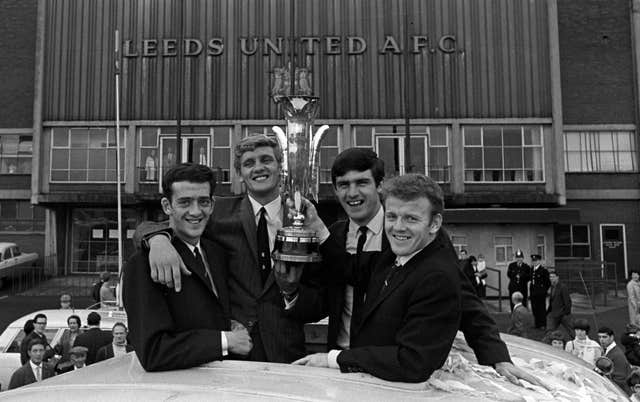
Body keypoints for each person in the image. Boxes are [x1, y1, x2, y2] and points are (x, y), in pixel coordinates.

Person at [140, 147, 543, 386]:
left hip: (391, 367)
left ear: (379, 187)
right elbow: (180, 218)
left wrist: (495, 354)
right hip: (331, 360)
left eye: (362, 183)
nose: (353, 193)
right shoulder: (327, 233)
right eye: (344, 186)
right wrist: (154, 237)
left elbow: (465, 301)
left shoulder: (409, 236)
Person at [134, 135, 323, 364]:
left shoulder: (302, 219)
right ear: (239, 173)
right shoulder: (217, 212)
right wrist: (156, 241)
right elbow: (173, 221)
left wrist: (291, 294)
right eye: (249, 163)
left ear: (279, 166)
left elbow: (322, 298)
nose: (258, 168)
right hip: (231, 355)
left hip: (286, 354)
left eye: (266, 160)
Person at [292, 174, 462, 382]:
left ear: (434, 224)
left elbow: (412, 362)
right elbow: (352, 271)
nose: (398, 227)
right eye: (391, 217)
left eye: (411, 218)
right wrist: (317, 228)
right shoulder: (394, 253)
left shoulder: (437, 278)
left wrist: (335, 359)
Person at [124, 163, 252, 371]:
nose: (195, 211)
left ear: (212, 205)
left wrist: (230, 324)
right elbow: (153, 352)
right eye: (184, 202)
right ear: (167, 206)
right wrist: (225, 340)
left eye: (203, 202)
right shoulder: (143, 263)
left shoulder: (216, 252)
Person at [598, 326, 632, 394]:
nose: (601, 340)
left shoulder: (617, 355)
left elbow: (620, 380)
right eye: (599, 337)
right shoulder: (606, 351)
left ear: (612, 337)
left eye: (604, 337)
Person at [546, 270, 573, 338]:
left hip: (563, 315)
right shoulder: (552, 287)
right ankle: (546, 344)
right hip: (554, 314)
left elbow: (567, 301)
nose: (551, 278)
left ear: (557, 277)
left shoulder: (563, 287)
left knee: (571, 331)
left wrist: (566, 312)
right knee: (550, 331)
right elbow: (552, 300)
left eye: (553, 277)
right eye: (550, 277)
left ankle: (579, 343)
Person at [529, 254, 550, 329]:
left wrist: (544, 290)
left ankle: (543, 324)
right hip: (533, 292)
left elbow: (547, 282)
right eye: (533, 261)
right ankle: (537, 324)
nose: (534, 262)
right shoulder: (531, 269)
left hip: (541, 293)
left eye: (536, 260)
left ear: (539, 261)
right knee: (534, 308)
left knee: (541, 308)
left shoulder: (543, 270)